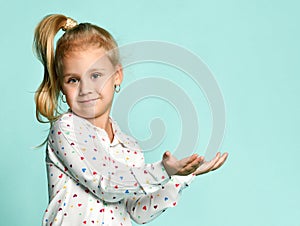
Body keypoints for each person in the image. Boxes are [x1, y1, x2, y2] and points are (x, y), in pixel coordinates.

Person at [33, 14, 228, 226]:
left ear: (117, 75)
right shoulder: (66, 129)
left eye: (96, 75)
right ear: (62, 86)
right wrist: (164, 170)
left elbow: (137, 211)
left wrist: (180, 177)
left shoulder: (129, 147)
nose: (86, 89)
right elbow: (105, 183)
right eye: (73, 80)